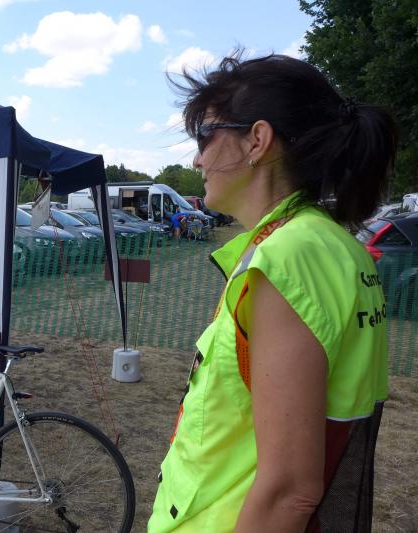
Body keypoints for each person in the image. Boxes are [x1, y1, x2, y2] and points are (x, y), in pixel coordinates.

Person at [149, 53, 396, 532]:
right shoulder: (326, 244)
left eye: (205, 137)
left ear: (257, 141)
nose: (197, 159)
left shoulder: (289, 254)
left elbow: (289, 491)